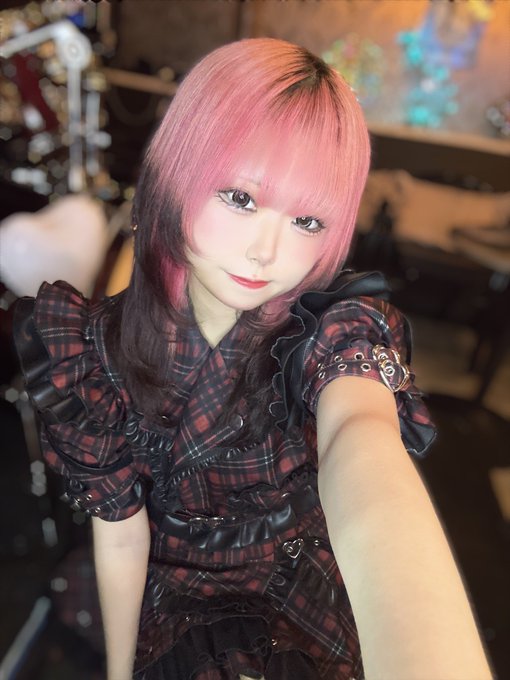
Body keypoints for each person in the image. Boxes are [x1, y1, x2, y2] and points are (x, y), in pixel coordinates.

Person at [13, 38, 492, 680]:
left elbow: (362, 437)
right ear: (180, 169)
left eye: (308, 221)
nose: (267, 251)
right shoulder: (93, 349)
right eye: (241, 198)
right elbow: (122, 535)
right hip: (172, 602)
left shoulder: (328, 328)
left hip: (299, 595)